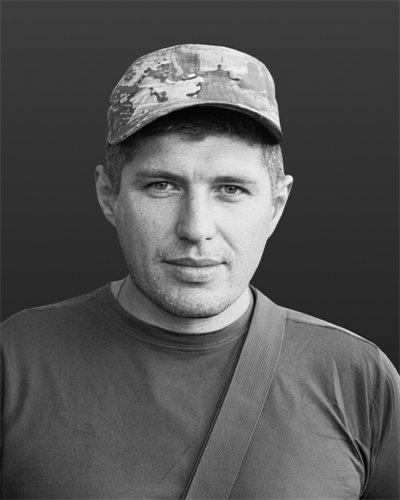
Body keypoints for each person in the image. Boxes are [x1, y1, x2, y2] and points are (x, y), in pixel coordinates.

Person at [1, 44, 399, 499]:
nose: (195, 228)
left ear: (276, 205)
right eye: (162, 185)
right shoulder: (15, 361)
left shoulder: (357, 377)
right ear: (109, 196)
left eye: (231, 189)